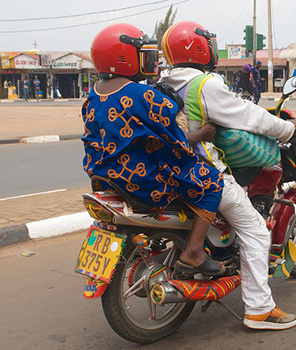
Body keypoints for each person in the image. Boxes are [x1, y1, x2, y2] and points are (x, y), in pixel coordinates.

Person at [160, 20, 296, 330]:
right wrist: (286, 128)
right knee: (256, 231)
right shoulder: (204, 85)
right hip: (202, 173)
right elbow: (249, 115)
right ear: (199, 48)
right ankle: (260, 310)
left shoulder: (162, 81)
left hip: (167, 172)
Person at [82, 23, 226, 276]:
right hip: (141, 180)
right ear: (124, 58)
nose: (151, 63)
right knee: (211, 181)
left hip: (106, 176)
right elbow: (176, 139)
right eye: (145, 56)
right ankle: (193, 251)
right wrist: (202, 134)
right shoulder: (143, 94)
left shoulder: (93, 96)